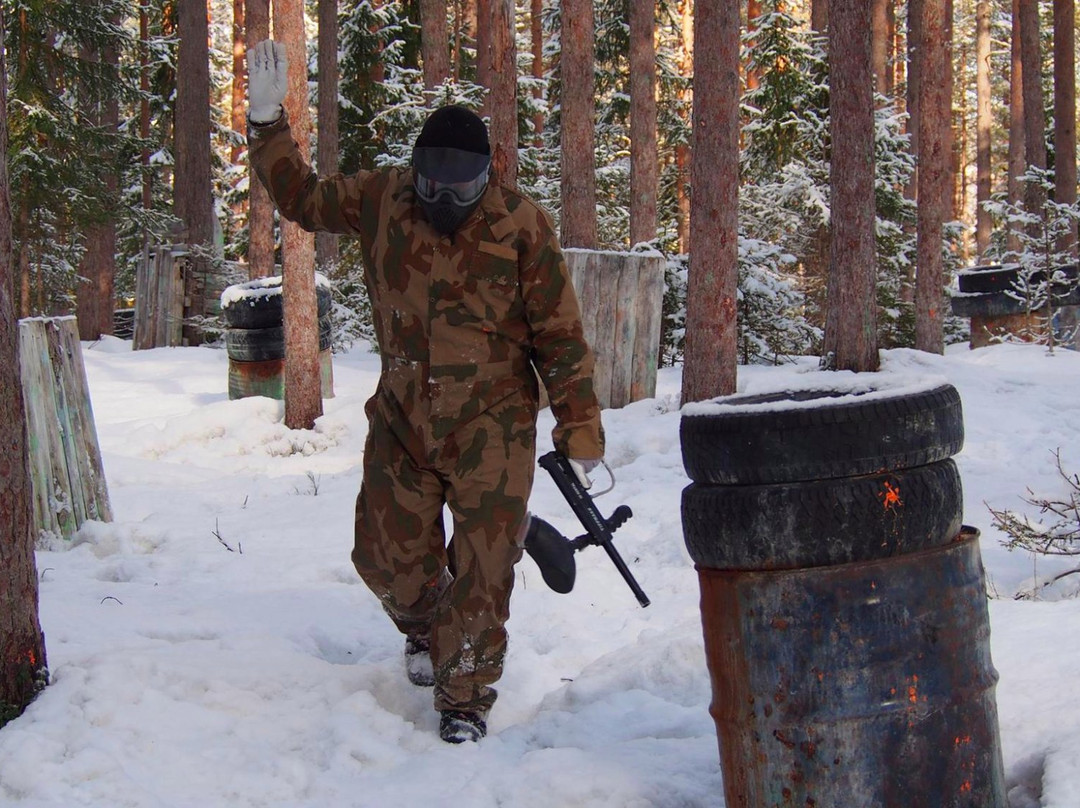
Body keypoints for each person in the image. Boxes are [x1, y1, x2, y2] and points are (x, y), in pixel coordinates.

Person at [246, 40, 604, 744]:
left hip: (492, 427)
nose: (442, 199)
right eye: (432, 184)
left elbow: (560, 335)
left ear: (486, 178)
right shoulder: (383, 197)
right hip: (404, 420)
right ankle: (426, 625)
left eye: (459, 189)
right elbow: (304, 198)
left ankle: (464, 699)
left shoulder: (521, 225)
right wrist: (267, 124)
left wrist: (580, 430)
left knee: (481, 571)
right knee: (382, 559)